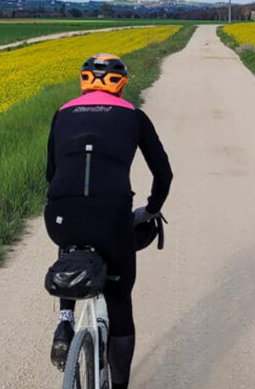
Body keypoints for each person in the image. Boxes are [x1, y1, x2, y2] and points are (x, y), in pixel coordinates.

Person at [44, 53, 172, 389]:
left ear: (83, 81)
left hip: (61, 216)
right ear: (122, 84)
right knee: (118, 298)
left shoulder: (62, 113)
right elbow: (164, 173)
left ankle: (65, 319)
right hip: (112, 218)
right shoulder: (134, 116)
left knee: (72, 246)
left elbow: (50, 174)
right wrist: (151, 210)